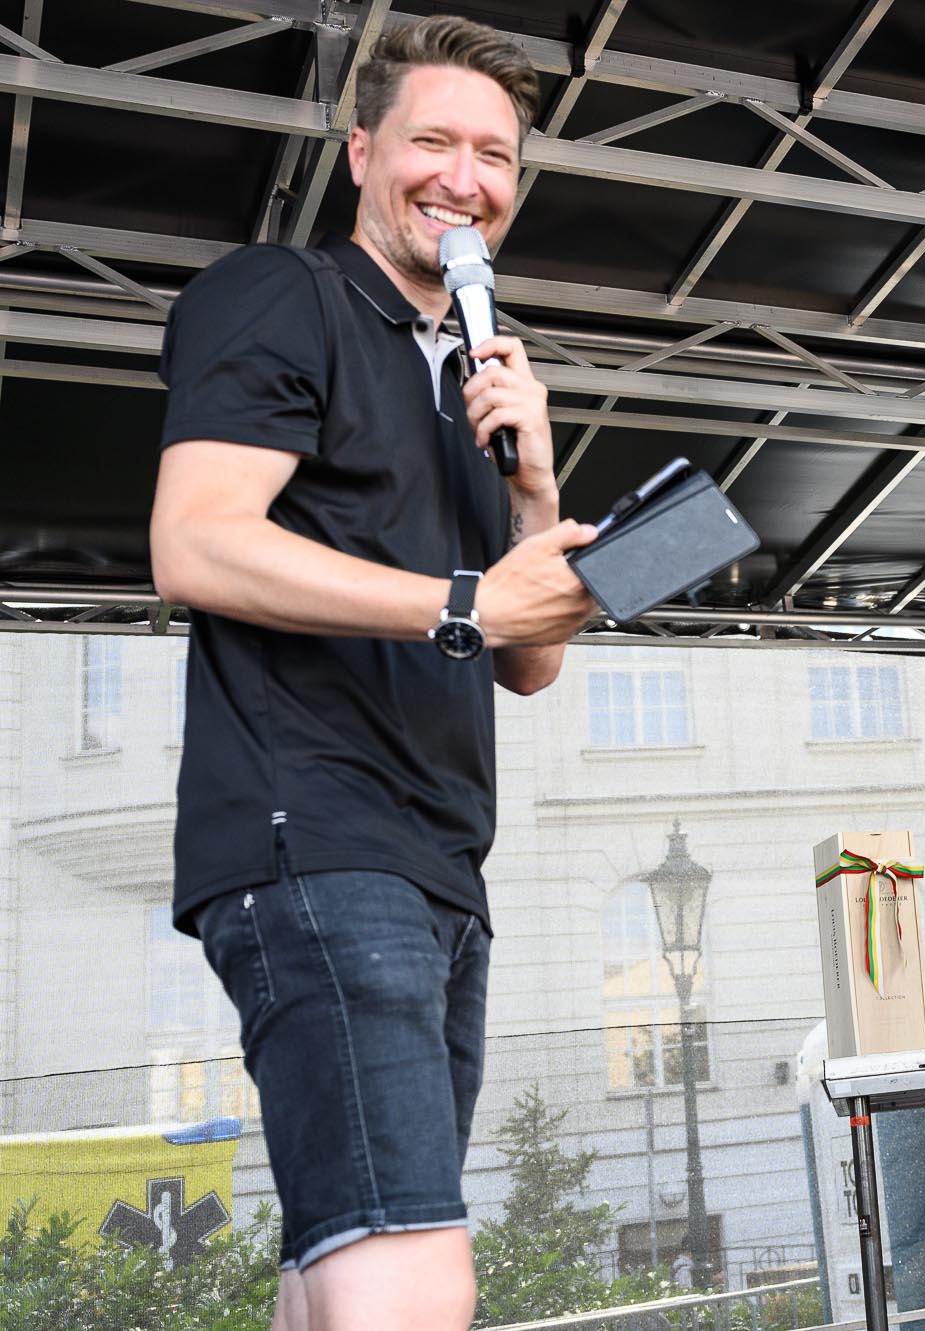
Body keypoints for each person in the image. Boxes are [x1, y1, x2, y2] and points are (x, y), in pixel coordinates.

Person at [147, 16, 597, 1331]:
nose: (466, 179)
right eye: (434, 143)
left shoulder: (474, 383)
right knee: (409, 1270)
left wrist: (534, 481)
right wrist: (463, 600)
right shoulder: (279, 296)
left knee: (342, 1265)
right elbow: (195, 541)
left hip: (441, 863)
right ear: (360, 153)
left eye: (495, 156)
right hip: (317, 836)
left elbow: (530, 664)